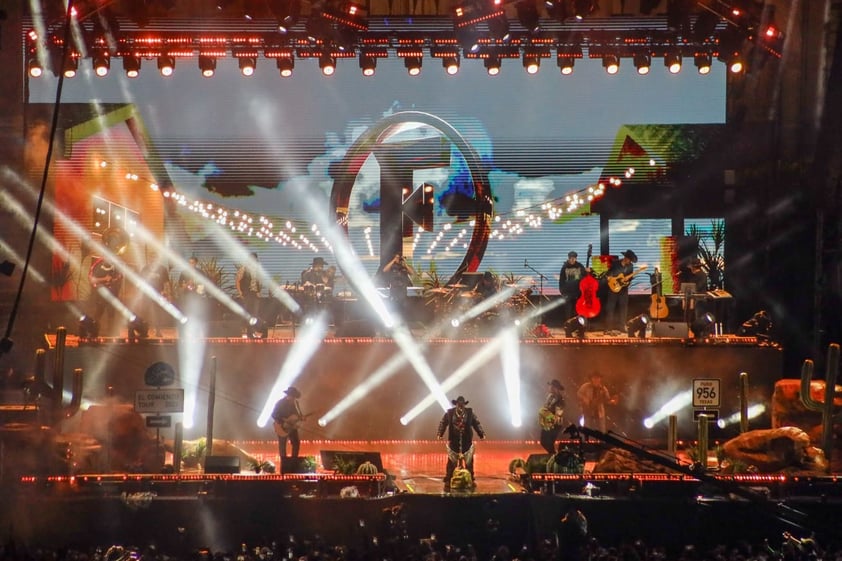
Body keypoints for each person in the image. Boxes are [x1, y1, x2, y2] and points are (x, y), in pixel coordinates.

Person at [436, 395, 486, 490]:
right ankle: (448, 479)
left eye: (462, 405)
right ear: (456, 405)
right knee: (451, 461)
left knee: (469, 461)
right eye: (459, 405)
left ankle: (470, 478)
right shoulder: (450, 413)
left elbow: (476, 423)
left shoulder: (470, 413)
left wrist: (481, 434)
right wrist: (440, 433)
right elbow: (443, 423)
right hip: (454, 441)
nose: (460, 407)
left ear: (464, 405)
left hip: (466, 440)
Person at [602, 249, 637, 335]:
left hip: (623, 290)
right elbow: (608, 273)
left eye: (631, 260)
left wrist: (627, 281)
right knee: (610, 308)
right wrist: (610, 277)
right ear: (625, 258)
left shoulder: (630, 266)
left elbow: (630, 278)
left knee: (623, 308)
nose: (630, 262)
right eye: (629, 260)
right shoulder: (615, 263)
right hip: (613, 288)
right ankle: (608, 328)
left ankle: (622, 326)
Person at [88, 255, 124, 336]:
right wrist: (104, 279)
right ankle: (94, 331)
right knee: (98, 312)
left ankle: (112, 332)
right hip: (101, 293)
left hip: (113, 293)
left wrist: (113, 281)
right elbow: (91, 279)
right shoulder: (97, 265)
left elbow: (120, 276)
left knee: (111, 313)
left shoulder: (116, 265)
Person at [140, 255, 172, 337]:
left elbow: (166, 282)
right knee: (145, 312)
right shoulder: (145, 269)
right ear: (149, 260)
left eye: (154, 259)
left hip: (159, 293)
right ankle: (144, 331)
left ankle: (158, 331)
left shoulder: (162, 269)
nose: (152, 260)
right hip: (147, 293)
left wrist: (167, 292)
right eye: (151, 259)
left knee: (158, 312)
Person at [271, 386, 304, 459]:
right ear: (288, 395)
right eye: (292, 396)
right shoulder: (280, 403)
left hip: (292, 427)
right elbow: (273, 414)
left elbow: (298, 415)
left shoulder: (296, 403)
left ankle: (294, 459)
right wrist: (283, 420)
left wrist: (301, 418)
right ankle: (284, 461)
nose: (293, 398)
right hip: (281, 426)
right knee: (282, 444)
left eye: (294, 397)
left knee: (296, 443)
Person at [559, 251, 589, 321]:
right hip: (568, 292)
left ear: (576, 258)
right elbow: (561, 280)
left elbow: (585, 277)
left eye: (574, 258)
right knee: (568, 310)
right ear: (569, 258)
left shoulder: (580, 266)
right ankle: (569, 325)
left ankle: (579, 326)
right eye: (571, 258)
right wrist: (562, 291)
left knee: (578, 310)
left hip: (578, 291)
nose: (572, 260)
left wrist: (587, 272)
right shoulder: (564, 267)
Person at [538, 380, 566, 454]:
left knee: (548, 443)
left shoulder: (560, 399)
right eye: (550, 386)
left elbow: (558, 412)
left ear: (556, 388)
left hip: (555, 423)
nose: (550, 387)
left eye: (552, 386)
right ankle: (553, 456)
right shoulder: (550, 397)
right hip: (547, 423)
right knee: (544, 442)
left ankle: (553, 456)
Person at [236, 252, 263, 325]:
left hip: (255, 293)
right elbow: (238, 281)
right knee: (246, 312)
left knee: (255, 313)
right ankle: (244, 329)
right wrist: (240, 292)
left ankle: (252, 330)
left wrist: (259, 291)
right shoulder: (244, 268)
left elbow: (259, 282)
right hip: (246, 293)